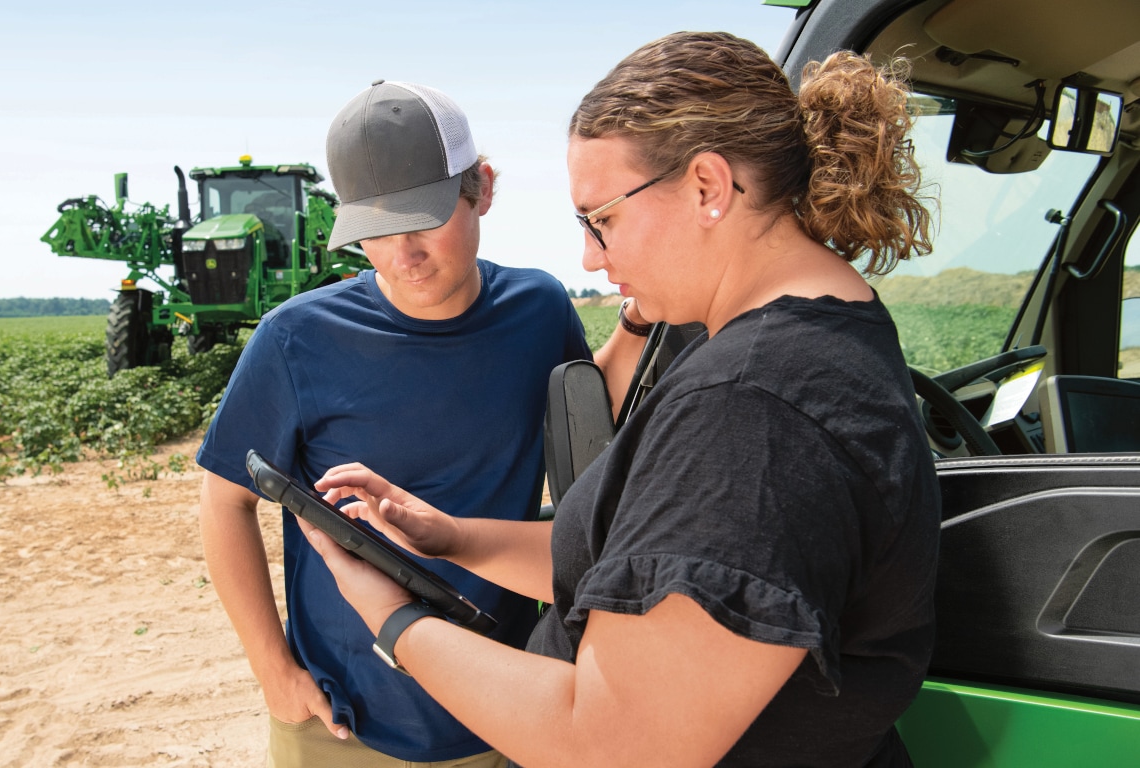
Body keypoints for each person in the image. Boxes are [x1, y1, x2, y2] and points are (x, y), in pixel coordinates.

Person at [304, 32, 941, 768]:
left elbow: (609, 746)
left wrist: (389, 615)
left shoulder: (752, 411)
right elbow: (641, 570)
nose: (590, 257)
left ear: (708, 186)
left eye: (601, 218)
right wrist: (450, 538)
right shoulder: (807, 341)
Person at [197, 80, 644, 767]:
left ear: (483, 189)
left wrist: (643, 317)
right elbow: (224, 501)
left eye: (424, 220)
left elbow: (584, 411)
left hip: (514, 707)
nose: (402, 254)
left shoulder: (537, 308)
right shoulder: (296, 339)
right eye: (373, 229)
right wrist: (274, 673)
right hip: (348, 723)